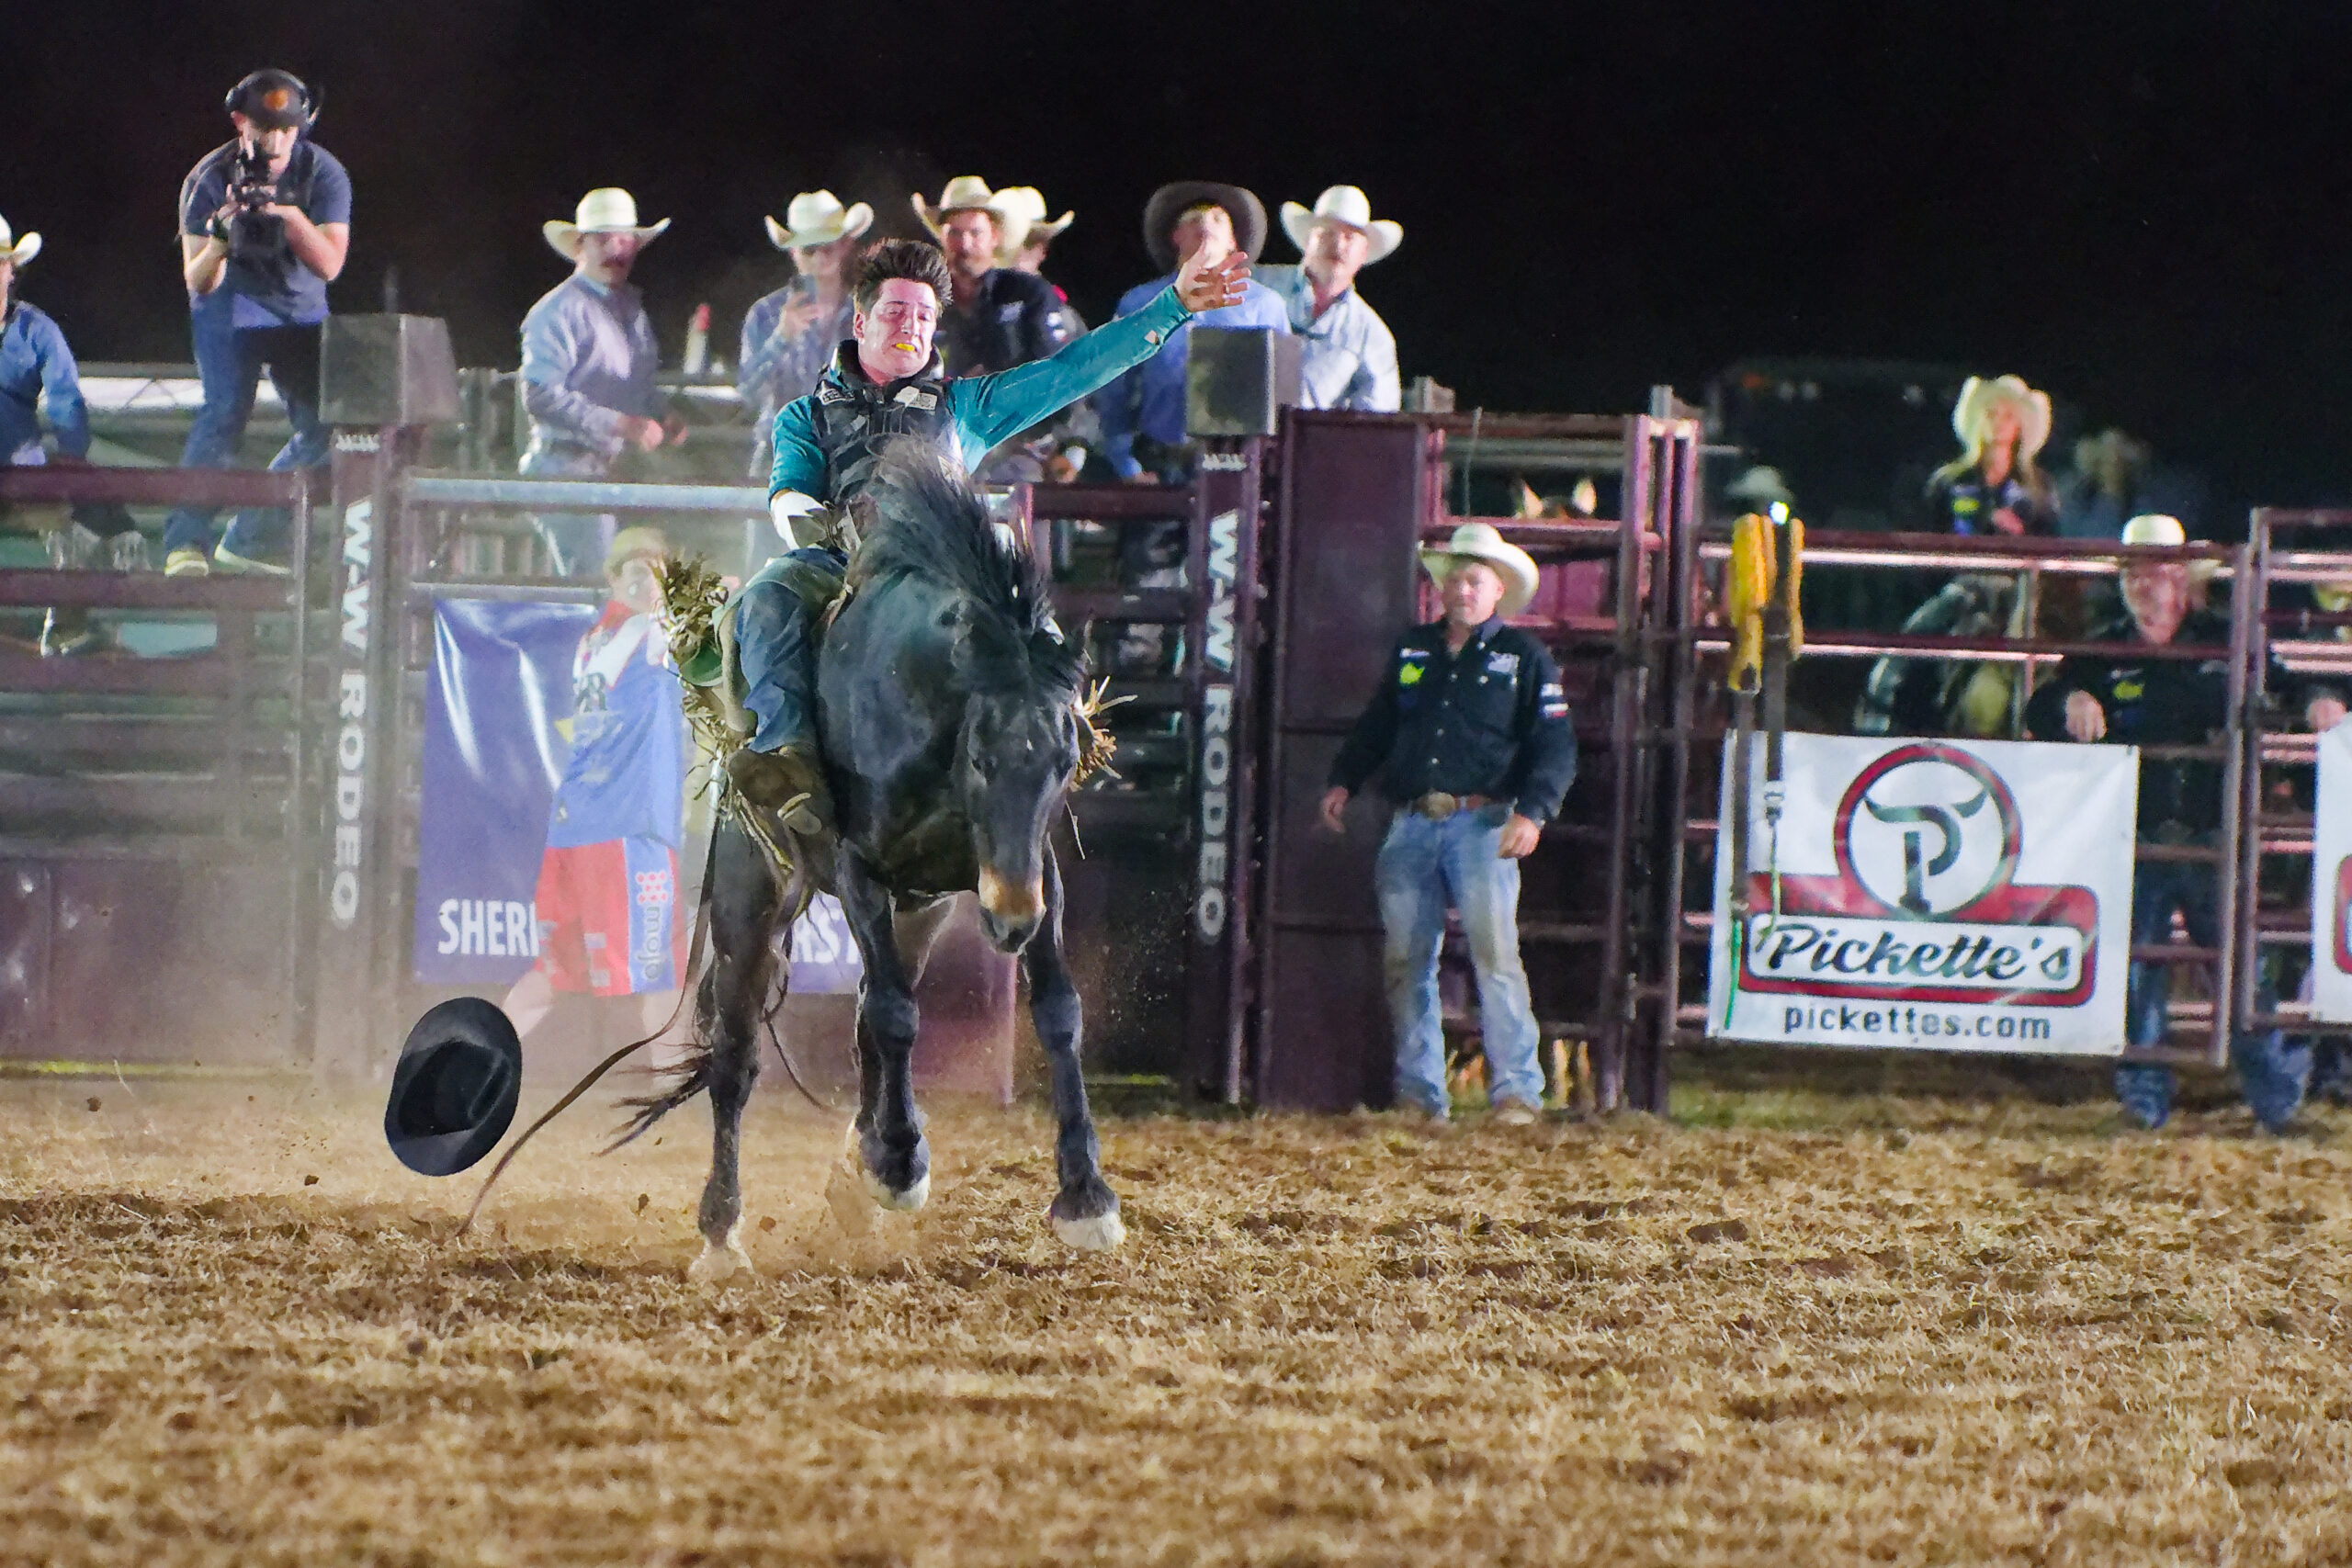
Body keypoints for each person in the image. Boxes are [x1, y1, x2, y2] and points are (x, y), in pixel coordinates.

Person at [724, 235, 1252, 827]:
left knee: (1013, 574)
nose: (911, 325)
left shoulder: (965, 406)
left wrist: (1172, 306)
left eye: (924, 314)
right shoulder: (807, 413)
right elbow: (789, 486)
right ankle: (784, 750)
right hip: (841, 560)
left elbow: (1071, 371)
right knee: (769, 594)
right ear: (861, 320)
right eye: (896, 310)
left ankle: (1058, 710)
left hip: (941, 565)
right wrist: (810, 518)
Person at [2026, 514, 2346, 1133]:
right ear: (2124, 581)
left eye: (2160, 568)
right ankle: (2146, 1095)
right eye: (2137, 571)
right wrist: (2068, 700)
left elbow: (2286, 682)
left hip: (2213, 827)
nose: (2149, 582)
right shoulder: (2102, 648)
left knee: (2238, 966)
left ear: (2184, 575)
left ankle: (2276, 1098)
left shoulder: (2224, 638)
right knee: (2139, 963)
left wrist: (2316, 701)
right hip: (2136, 833)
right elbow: (2043, 700)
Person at [1319, 524, 1577, 1125]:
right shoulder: (1415, 649)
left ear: (1495, 590)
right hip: (1417, 818)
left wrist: (1532, 810)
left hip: (1483, 820)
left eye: (1474, 580)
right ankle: (1422, 1092)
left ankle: (1513, 1089)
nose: (1462, 589)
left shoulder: (1524, 658)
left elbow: (1554, 743)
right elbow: (1379, 724)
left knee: (1492, 954)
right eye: (1456, 578)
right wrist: (1344, 778)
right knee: (1409, 959)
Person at [503, 526, 692, 1060]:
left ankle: (469, 1067)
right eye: (640, 569)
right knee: (662, 980)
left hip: (575, 829)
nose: (645, 577)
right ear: (617, 578)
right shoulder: (651, 632)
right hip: (629, 830)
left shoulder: (593, 641)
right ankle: (670, 1101)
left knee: (549, 977)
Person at [162, 69, 350, 577]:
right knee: (224, 413)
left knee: (329, 430)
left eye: (289, 128)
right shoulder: (208, 178)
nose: (279, 139)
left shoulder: (324, 172)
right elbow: (196, 280)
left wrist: (288, 216)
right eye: (267, 127)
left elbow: (330, 264)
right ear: (241, 121)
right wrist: (221, 236)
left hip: (300, 311)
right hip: (230, 307)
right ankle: (185, 543)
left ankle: (250, 536)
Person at [517, 188, 685, 579]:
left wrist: (660, 412)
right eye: (604, 239)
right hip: (566, 470)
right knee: (595, 585)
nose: (617, 248)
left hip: (606, 471)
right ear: (580, 246)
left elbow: (636, 385)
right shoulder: (556, 311)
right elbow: (540, 394)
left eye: (625, 239)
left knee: (614, 584)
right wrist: (622, 424)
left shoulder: (629, 309)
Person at [1097, 181, 1291, 485]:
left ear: (1233, 242)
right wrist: (1127, 465)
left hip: (1239, 472)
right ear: (1176, 237)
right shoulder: (1139, 303)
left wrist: (1271, 475)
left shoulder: (1265, 306)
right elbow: (1113, 389)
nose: (1204, 224)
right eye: (1192, 219)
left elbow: (1285, 399)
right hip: (1157, 468)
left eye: (1217, 219)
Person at [737, 190, 871, 478]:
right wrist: (781, 338)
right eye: (809, 249)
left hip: (849, 458)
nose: (820, 257)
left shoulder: (867, 314)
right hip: (780, 456)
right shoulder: (766, 314)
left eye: (828, 246)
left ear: (845, 245)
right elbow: (747, 392)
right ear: (793, 252)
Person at [1256, 185, 1402, 412]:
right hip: (1228, 439)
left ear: (1364, 253)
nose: (1338, 244)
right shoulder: (1256, 285)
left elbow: (1375, 421)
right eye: (1327, 233)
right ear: (1307, 241)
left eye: (1350, 237)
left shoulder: (1373, 336)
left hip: (1308, 447)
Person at [913, 177, 1076, 378]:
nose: (965, 244)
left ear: (995, 237)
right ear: (942, 238)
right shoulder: (923, 302)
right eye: (954, 233)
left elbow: (1056, 374)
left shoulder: (1029, 294)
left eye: (976, 233)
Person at [1925, 374, 2053, 536]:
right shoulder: (1948, 482)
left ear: (2020, 426)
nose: (1998, 423)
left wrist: (2019, 532)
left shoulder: (2038, 487)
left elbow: (2050, 544)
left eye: (2008, 416)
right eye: (1991, 414)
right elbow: (1928, 538)